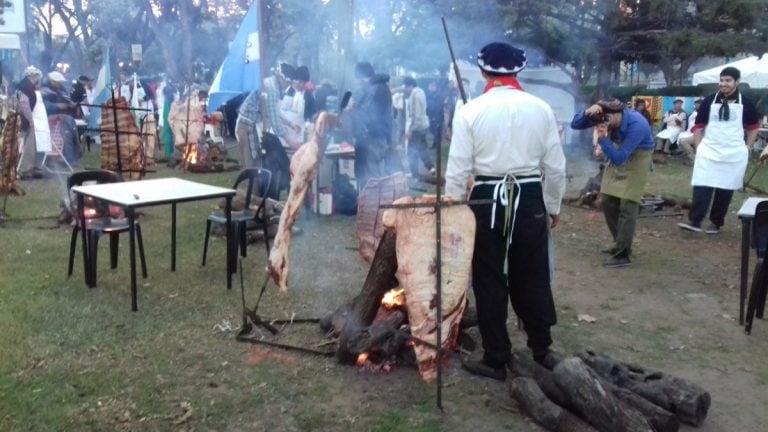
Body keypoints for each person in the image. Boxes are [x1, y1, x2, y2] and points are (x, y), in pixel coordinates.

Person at [445, 42, 566, 380]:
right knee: (533, 273)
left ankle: (497, 355)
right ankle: (541, 347)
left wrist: (454, 207)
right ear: (517, 71)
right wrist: (553, 204)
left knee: (489, 277)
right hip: (529, 197)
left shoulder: (470, 111)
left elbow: (456, 170)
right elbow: (555, 166)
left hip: (486, 198)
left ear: (484, 72)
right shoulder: (540, 108)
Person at [571, 99, 654, 267]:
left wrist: (602, 139)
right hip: (616, 149)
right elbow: (575, 124)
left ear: (618, 113)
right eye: (601, 118)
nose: (603, 122)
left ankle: (623, 254)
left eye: (606, 119)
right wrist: (588, 112)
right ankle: (620, 244)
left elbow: (619, 158)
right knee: (608, 200)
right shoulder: (602, 115)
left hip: (638, 157)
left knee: (628, 205)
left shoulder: (637, 124)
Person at [678, 67, 760, 234]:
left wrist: (748, 146)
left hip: (733, 152)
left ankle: (716, 222)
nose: (723, 84)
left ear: (737, 82)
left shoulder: (746, 104)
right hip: (709, 150)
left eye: (728, 80)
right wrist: (699, 146)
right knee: (702, 184)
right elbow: (698, 126)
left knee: (725, 188)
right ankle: (695, 221)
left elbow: (753, 127)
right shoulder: (709, 101)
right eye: (721, 80)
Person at [348, 61, 394, 190]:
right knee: (367, 178)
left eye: (359, 79)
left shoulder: (378, 89)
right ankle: (367, 206)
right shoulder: (374, 88)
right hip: (370, 139)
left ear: (363, 77)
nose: (359, 83)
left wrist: (353, 110)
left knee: (372, 179)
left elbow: (368, 115)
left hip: (374, 139)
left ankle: (373, 208)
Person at [402, 76, 434, 178]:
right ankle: (431, 167)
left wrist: (410, 130)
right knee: (422, 148)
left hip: (417, 127)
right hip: (423, 126)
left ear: (410, 85)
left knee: (412, 151)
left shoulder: (414, 96)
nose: (405, 89)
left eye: (406, 87)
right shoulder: (421, 92)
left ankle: (414, 173)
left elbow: (416, 115)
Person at [16, 66, 42, 178]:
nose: (38, 79)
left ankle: (26, 167)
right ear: (32, 76)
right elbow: (24, 105)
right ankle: (24, 169)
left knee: (24, 144)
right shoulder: (26, 88)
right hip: (23, 119)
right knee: (28, 145)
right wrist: (31, 120)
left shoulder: (25, 86)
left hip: (22, 119)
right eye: (37, 76)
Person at [235, 89, 260, 168]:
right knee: (248, 153)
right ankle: (251, 175)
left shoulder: (259, 92)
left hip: (247, 123)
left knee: (252, 152)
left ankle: (253, 174)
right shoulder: (258, 91)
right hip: (244, 124)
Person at [675, 99, 702, 164]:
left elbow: (701, 125)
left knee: (683, 140)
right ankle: (685, 153)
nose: (696, 106)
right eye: (695, 105)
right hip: (690, 131)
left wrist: (694, 130)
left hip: (698, 133)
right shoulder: (693, 112)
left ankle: (693, 158)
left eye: (697, 105)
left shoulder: (704, 113)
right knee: (680, 136)